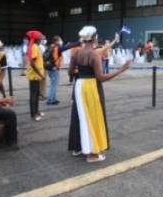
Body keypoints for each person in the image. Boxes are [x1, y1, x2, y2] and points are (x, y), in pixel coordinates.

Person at [68, 27, 130, 163]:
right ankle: (92, 154)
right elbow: (101, 77)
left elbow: (70, 72)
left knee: (80, 117)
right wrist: (121, 70)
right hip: (90, 87)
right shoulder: (94, 55)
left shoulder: (77, 52)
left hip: (79, 86)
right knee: (92, 118)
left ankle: (79, 147)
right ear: (95, 37)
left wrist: (81, 74)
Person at [46, 35, 81, 105]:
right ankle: (50, 100)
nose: (61, 41)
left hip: (49, 68)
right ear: (56, 41)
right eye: (60, 40)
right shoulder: (57, 48)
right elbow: (67, 47)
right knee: (54, 85)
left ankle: (53, 98)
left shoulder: (50, 46)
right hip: (54, 68)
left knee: (53, 84)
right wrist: (78, 42)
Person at [25, 30, 45, 121]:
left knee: (36, 94)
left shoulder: (35, 46)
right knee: (33, 94)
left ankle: (37, 111)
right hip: (34, 75)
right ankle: (33, 114)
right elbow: (32, 63)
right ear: (37, 38)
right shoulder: (34, 47)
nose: (42, 38)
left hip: (36, 75)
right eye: (40, 37)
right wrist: (40, 73)